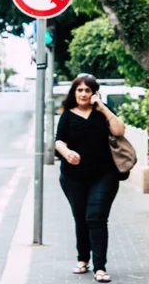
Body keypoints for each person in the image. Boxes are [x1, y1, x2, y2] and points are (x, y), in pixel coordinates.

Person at [55, 73, 125, 283]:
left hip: (104, 175)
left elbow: (119, 130)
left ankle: (100, 267)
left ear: (94, 93)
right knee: (81, 217)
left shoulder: (102, 114)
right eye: (80, 90)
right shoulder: (67, 115)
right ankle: (83, 259)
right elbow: (59, 141)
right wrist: (67, 153)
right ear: (74, 92)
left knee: (96, 217)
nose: (84, 94)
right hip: (73, 177)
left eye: (88, 90)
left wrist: (102, 107)